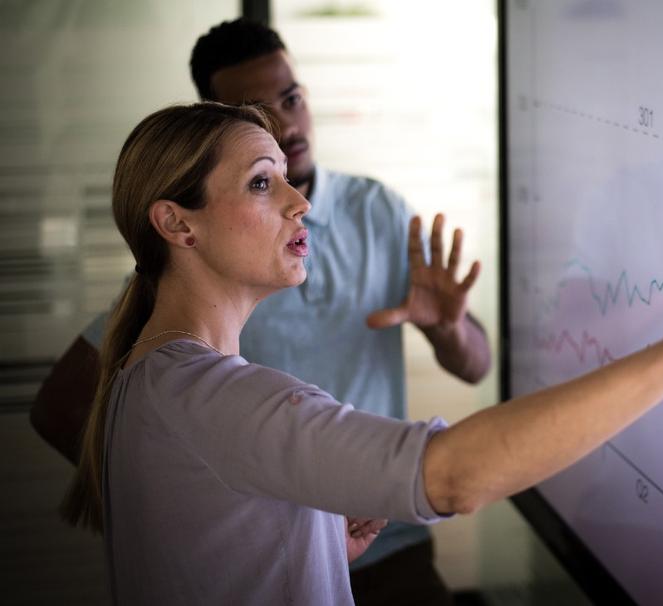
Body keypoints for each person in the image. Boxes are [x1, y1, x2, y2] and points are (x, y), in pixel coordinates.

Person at [61, 101, 663, 605]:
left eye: (286, 177)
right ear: (176, 224)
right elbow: (453, 478)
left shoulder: (147, 379)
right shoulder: (213, 396)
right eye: (262, 183)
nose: (299, 202)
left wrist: (311, 538)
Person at [30, 18, 490, 604]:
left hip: (376, 539)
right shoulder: (193, 346)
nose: (289, 122)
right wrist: (226, 514)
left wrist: (446, 329)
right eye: (258, 180)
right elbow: (454, 474)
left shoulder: (377, 211)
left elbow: (476, 366)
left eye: (292, 98)